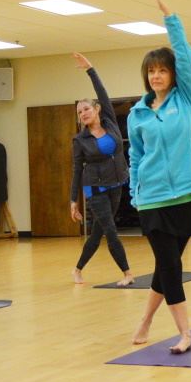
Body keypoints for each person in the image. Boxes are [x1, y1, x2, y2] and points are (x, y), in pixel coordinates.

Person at [128, 0, 191, 354]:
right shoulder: (137, 114)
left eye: (163, 70)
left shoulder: (185, 100)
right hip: (153, 200)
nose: (157, 76)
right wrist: (135, 194)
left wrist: (167, 13)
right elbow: (135, 157)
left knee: (169, 265)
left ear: (173, 75)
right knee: (169, 265)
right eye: (152, 72)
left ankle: (145, 319)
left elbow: (186, 55)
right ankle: (185, 333)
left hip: (188, 194)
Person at [69, 52, 135, 287]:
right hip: (94, 188)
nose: (83, 113)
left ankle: (77, 270)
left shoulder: (110, 122)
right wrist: (73, 200)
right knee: (110, 230)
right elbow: (77, 169)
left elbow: (103, 94)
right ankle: (127, 273)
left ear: (96, 110)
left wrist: (90, 70)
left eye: (86, 108)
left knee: (97, 233)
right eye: (79, 112)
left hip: (116, 183)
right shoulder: (80, 140)